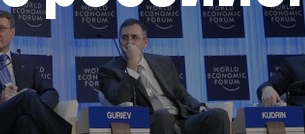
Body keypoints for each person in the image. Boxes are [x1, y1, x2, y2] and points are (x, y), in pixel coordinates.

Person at [98, 19, 230, 134]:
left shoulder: (163, 62)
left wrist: (201, 108)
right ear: (119, 41)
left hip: (181, 119)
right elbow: (120, 99)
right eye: (124, 37)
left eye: (135, 37)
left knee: (219, 114)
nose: (129, 42)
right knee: (163, 115)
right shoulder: (108, 70)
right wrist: (132, 64)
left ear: (145, 42)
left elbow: (181, 94)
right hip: (151, 122)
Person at [0, 9, 72, 134]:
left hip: (20, 121)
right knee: (26, 96)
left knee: (25, 120)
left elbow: (51, 93)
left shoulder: (26, 63)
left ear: (12, 32)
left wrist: (35, 106)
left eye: (1, 29)